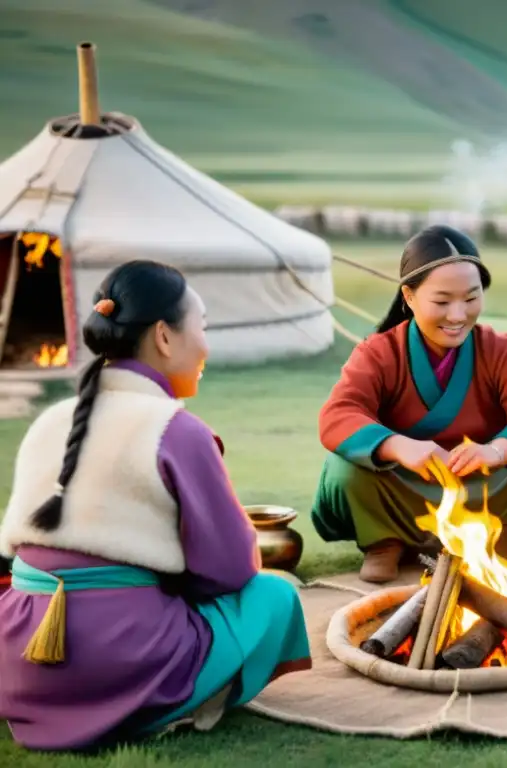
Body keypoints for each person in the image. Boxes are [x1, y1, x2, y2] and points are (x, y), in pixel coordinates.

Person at [0, 261, 311, 751]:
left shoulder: (50, 419)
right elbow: (230, 571)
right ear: (164, 337)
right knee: (275, 597)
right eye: (202, 327)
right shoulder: (177, 430)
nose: (206, 346)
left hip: (18, 655)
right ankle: (176, 706)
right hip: (118, 656)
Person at [312, 225, 507, 583]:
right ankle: (383, 541)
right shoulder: (379, 353)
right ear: (409, 296)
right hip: (404, 484)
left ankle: (502, 537)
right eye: (442, 300)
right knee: (344, 469)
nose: (458, 315)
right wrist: (399, 447)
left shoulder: (499, 349)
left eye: (471, 298)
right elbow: (338, 414)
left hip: (479, 483)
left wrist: (495, 452)